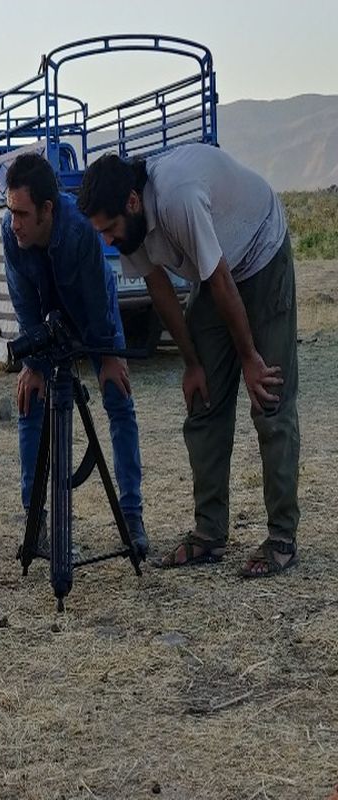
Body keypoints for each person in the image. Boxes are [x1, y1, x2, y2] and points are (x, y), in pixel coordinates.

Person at [78, 145, 298, 577]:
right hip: (216, 273)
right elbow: (159, 288)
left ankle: (282, 537)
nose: (107, 240)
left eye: (110, 229)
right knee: (204, 399)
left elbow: (220, 278)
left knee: (268, 398)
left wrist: (249, 356)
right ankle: (210, 533)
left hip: (260, 250)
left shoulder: (178, 196)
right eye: (100, 232)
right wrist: (192, 363)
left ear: (133, 202)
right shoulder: (130, 226)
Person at [1, 153, 147, 556]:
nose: (14, 223)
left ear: (47, 210)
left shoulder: (80, 230)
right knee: (30, 401)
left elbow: (99, 297)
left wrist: (107, 354)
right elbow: (22, 298)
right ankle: (37, 523)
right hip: (46, 320)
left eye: (23, 214)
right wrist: (33, 364)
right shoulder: (10, 232)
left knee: (118, 398)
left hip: (92, 314)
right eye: (10, 210)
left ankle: (131, 517)